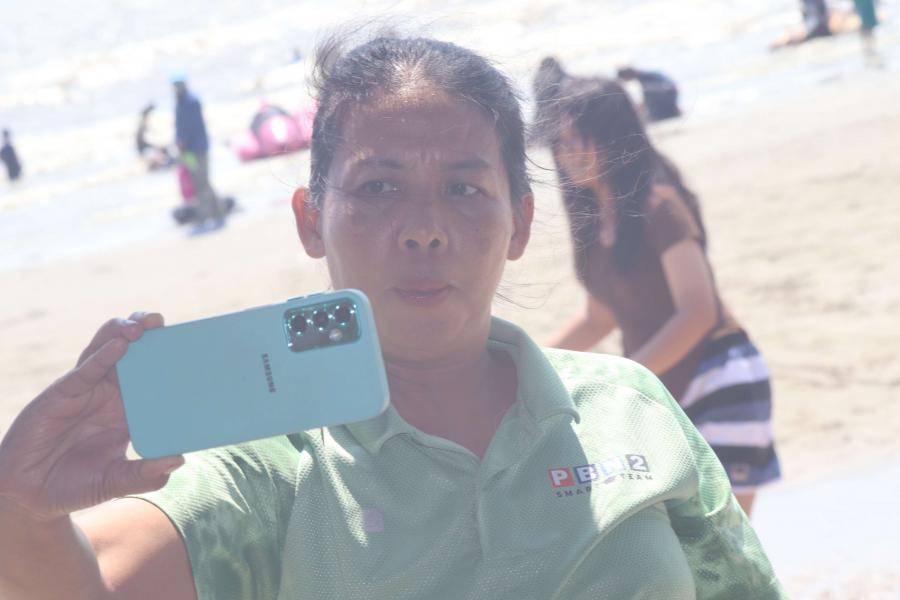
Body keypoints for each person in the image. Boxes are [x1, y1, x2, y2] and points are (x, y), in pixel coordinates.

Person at [0, 35, 786, 599]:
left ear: (518, 223)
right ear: (312, 219)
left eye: (464, 188)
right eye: (378, 187)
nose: (424, 228)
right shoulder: (274, 466)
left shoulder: (629, 406)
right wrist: (24, 511)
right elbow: (92, 584)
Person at [533, 60, 782, 518]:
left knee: (722, 541)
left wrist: (626, 378)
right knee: (676, 541)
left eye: (577, 138)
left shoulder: (659, 206)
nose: (567, 153)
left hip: (718, 379)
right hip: (663, 396)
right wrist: (529, 360)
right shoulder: (594, 222)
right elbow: (598, 318)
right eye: (560, 142)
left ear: (612, 135)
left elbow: (698, 312)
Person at [172, 72, 227, 233]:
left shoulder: (191, 101)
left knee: (202, 184)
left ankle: (210, 216)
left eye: (178, 85)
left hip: (197, 150)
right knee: (198, 184)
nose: (176, 88)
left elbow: (190, 127)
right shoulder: (181, 102)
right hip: (189, 152)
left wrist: (182, 141)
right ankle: (212, 216)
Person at [616, 65, 681, 122]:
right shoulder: (642, 77)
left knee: (647, 91)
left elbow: (666, 87)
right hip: (668, 91)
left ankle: (663, 114)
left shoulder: (645, 77)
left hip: (668, 91)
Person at [136, 103, 176, 170]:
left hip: (146, 149)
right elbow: (143, 142)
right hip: (145, 150)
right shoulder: (142, 128)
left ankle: (166, 160)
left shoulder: (143, 127)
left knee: (163, 150)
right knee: (162, 152)